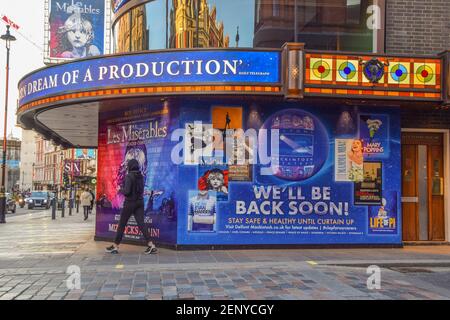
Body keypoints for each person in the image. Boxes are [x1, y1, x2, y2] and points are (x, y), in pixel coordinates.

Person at [106, 159, 157, 255]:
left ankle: (115, 246)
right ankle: (151, 245)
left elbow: (127, 191)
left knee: (122, 224)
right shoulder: (141, 176)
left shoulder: (129, 176)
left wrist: (119, 189)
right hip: (140, 203)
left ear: (130, 166)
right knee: (141, 224)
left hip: (129, 203)